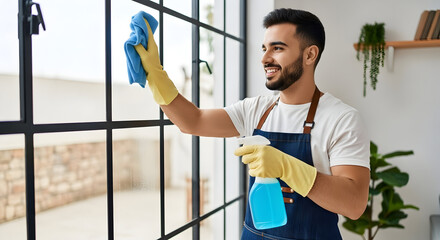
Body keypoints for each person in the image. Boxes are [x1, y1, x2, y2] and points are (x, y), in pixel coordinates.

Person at [134, 8, 370, 240]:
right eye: (265, 49)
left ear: (309, 55)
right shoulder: (256, 109)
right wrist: (155, 74)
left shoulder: (341, 119)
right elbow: (192, 121)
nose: (265, 58)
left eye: (277, 48)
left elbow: (354, 204)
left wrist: (287, 167)